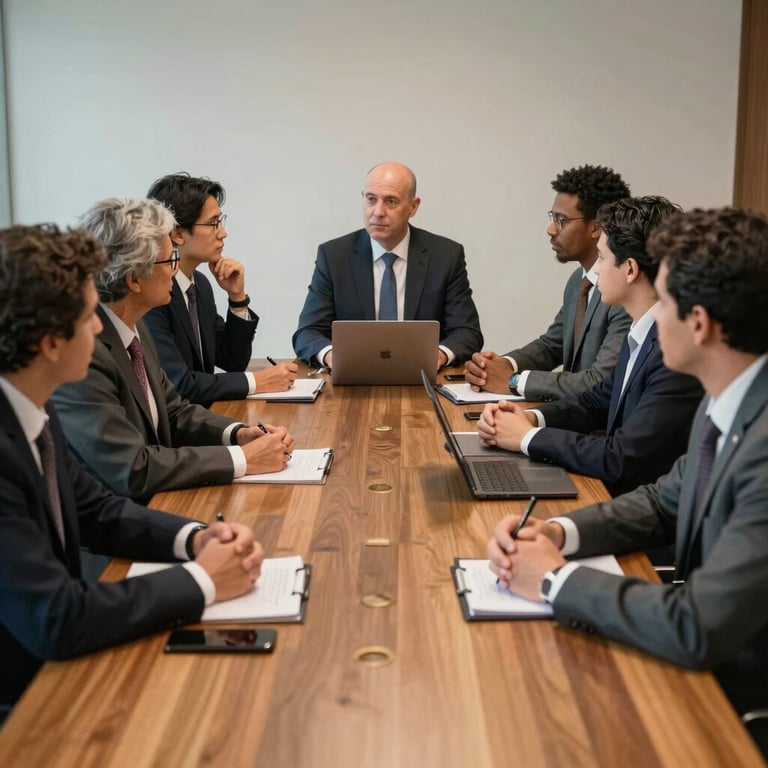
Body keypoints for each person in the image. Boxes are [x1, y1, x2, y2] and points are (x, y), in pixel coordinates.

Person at [487, 207, 768, 755]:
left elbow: (698, 627)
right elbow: (664, 502)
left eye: (663, 302)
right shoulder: (730, 399)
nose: (650, 319)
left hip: (731, 702)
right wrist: (558, 534)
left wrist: (553, 582)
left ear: (700, 323)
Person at [0, 224, 265, 718]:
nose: (100, 327)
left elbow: (95, 509)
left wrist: (197, 538)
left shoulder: (29, 405)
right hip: (25, 705)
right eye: (86, 316)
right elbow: (58, 618)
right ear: (49, 343)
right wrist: (204, 581)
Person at [51, 198, 294, 504]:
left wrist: (239, 433)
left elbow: (174, 411)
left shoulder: (133, 326)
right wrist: (241, 459)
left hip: (157, 506)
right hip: (116, 534)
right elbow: (133, 468)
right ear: (134, 279)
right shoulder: (84, 352)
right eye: (170, 262)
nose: (175, 272)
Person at [477, 197, 703, 497]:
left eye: (602, 259)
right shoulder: (642, 331)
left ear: (631, 269)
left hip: (642, 514)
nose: (595, 272)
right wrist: (530, 418)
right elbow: (596, 402)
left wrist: (528, 437)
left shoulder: (674, 354)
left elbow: (621, 458)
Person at [292, 161, 483, 369]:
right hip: (352, 381)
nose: (378, 211)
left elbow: (467, 332)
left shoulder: (446, 256)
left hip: (422, 380)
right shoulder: (334, 256)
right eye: (371, 199)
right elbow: (307, 332)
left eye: (391, 201)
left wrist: (437, 355)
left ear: (413, 206)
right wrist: (332, 356)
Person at [465, 164, 632, 400]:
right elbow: (552, 345)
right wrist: (501, 365)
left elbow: (600, 380)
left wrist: (513, 381)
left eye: (562, 220)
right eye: (553, 217)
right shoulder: (579, 281)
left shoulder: (623, 290)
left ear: (596, 227)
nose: (551, 229)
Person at [144, 172, 297, 407]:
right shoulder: (153, 295)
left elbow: (232, 361)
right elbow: (180, 384)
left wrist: (237, 298)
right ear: (177, 233)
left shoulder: (200, 285)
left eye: (220, 222)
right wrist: (256, 381)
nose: (223, 233)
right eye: (213, 223)